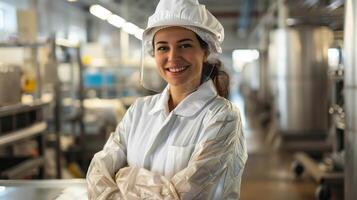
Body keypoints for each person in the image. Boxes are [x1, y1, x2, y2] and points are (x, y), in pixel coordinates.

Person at [86, 0, 247, 199]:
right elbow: (98, 172)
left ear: (205, 51)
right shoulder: (139, 110)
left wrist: (125, 177)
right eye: (163, 48)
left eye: (185, 45)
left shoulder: (223, 117)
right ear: (154, 54)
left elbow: (187, 195)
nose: (173, 57)